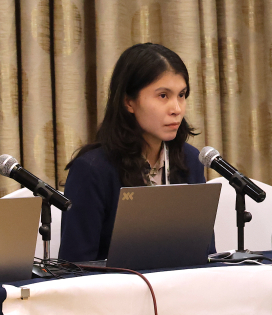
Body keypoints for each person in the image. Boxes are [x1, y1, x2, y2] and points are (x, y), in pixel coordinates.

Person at [59, 43, 208, 261]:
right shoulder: (92, 170)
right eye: (163, 96)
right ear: (129, 102)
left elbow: (205, 253)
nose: (176, 108)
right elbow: (74, 266)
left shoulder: (191, 161)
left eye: (182, 95)